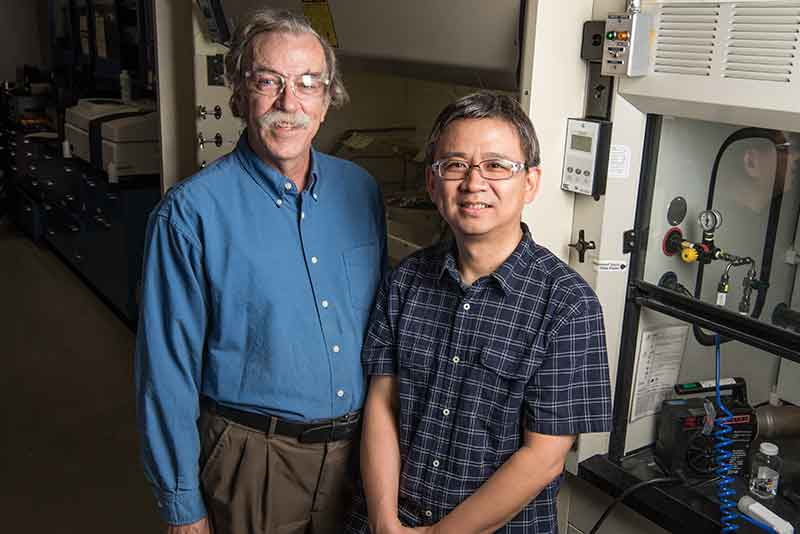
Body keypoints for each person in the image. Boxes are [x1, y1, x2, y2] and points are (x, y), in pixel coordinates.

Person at [135, 8, 386, 534]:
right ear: (239, 93)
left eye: (308, 83)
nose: (288, 103)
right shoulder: (190, 214)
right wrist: (183, 508)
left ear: (327, 99)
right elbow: (166, 372)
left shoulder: (360, 191)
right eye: (267, 81)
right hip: (254, 459)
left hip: (362, 456)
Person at [346, 92, 613, 534]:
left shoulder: (568, 306)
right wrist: (384, 522)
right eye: (455, 165)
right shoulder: (405, 280)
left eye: (496, 166)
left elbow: (544, 458)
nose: (474, 183)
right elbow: (382, 405)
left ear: (530, 182)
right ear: (432, 183)